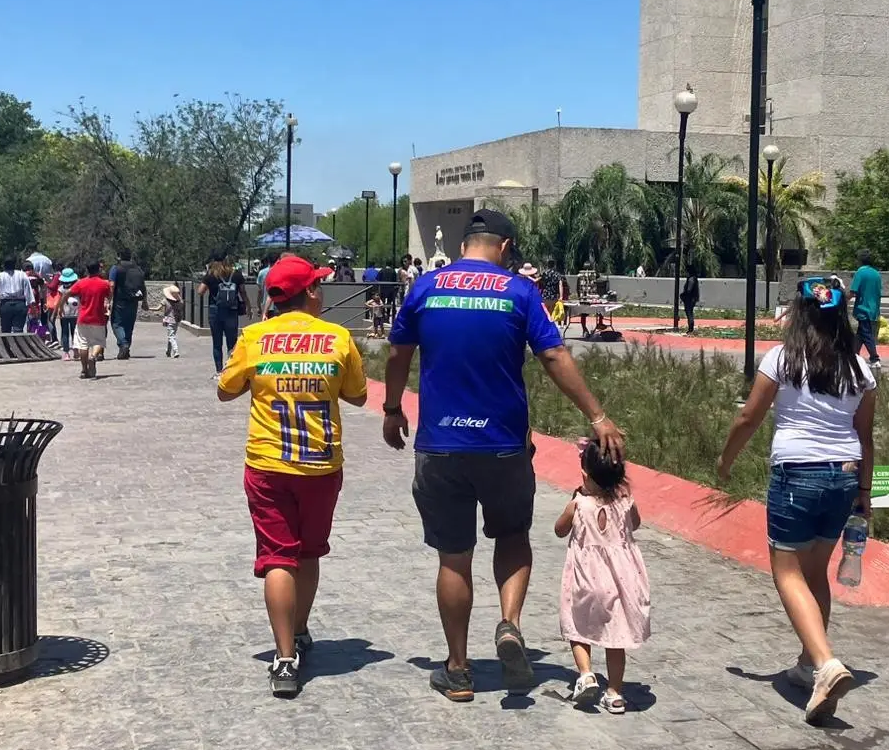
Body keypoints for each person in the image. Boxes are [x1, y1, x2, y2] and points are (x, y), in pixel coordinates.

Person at [382, 208, 625, 702]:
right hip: (504, 446)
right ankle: (509, 624)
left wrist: (391, 409)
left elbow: (396, 354)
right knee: (512, 536)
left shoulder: (425, 288)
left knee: (454, 556)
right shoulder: (519, 292)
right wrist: (599, 417)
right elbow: (555, 356)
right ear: (506, 247)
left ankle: (457, 669)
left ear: (466, 242)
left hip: (440, 444)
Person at [716, 275, 876, 726]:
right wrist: (864, 494)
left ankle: (825, 664)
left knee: (786, 573)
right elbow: (865, 436)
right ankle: (808, 665)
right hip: (844, 477)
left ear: (799, 315)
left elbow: (749, 416)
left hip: (796, 474)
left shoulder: (783, 359)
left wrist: (726, 461)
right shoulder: (859, 368)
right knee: (815, 573)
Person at [217, 257, 368, 697]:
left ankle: (284, 659)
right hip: (320, 466)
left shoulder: (254, 338)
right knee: (309, 552)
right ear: (311, 294)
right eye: (319, 286)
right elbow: (357, 396)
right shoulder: (337, 338)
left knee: (277, 556)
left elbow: (225, 389)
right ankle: (300, 628)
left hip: (267, 466)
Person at [555, 440, 650, 714]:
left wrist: (574, 501)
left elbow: (559, 530)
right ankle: (615, 693)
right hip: (620, 583)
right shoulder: (625, 503)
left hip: (586, 580)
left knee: (577, 625)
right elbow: (636, 524)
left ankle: (586, 675)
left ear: (585, 474)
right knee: (615, 637)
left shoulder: (579, 505)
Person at [198, 256, 249, 373]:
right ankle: (231, 369)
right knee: (232, 342)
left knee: (217, 343)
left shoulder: (211, 275)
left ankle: (219, 371)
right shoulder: (236, 274)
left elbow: (200, 291)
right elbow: (243, 292)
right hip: (232, 311)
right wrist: (248, 306)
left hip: (215, 311)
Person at [70, 262, 114, 379]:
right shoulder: (104, 284)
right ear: (98, 269)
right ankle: (93, 356)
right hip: (98, 317)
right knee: (99, 341)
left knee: (82, 344)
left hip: (83, 317)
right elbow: (109, 295)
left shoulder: (81, 283)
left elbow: (69, 292)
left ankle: (84, 370)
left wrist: (59, 307)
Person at [108, 249, 147, 360]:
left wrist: (108, 300)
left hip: (120, 300)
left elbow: (111, 285)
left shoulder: (116, 268)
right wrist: (145, 301)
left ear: (119, 256)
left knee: (116, 324)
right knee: (129, 325)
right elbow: (143, 286)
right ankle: (125, 349)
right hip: (134, 300)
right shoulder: (137, 268)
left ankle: (123, 344)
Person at [849, 250, 883, 371]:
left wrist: (843, 301)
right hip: (874, 309)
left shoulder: (860, 272)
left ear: (860, 260)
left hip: (863, 308)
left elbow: (853, 291)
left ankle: (874, 359)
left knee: (867, 334)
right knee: (861, 334)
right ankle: (853, 355)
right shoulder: (876, 274)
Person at [0, 257, 35, 333]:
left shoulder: (0, 276)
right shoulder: (22, 275)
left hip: (6, 305)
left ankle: (6, 345)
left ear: (4, 265)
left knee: (5, 330)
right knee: (18, 330)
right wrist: (31, 306)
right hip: (20, 305)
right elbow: (28, 292)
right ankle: (17, 344)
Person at [58, 268, 80, 361]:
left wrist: (59, 310)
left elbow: (59, 301)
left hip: (64, 313)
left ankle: (66, 353)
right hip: (76, 313)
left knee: (65, 333)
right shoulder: (77, 287)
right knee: (75, 332)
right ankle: (75, 351)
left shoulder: (61, 289)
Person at [162, 284, 184, 358]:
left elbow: (158, 308)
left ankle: (176, 350)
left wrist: (149, 308)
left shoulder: (165, 301)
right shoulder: (180, 302)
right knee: (171, 335)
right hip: (176, 320)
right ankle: (168, 351)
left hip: (169, 320)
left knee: (171, 336)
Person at [681, 267, 701, 333]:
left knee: (689, 313)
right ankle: (690, 328)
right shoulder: (694, 278)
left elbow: (689, 290)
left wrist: (683, 295)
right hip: (692, 298)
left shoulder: (691, 279)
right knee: (690, 313)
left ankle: (690, 328)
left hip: (689, 299)